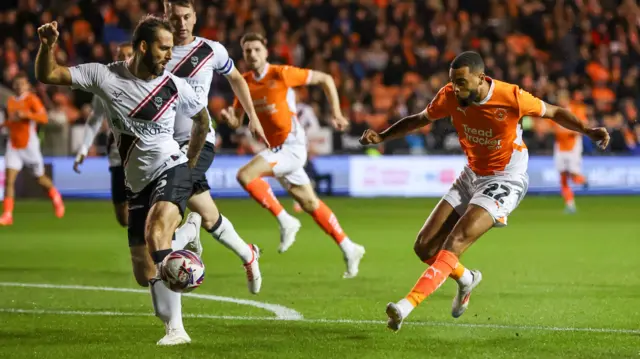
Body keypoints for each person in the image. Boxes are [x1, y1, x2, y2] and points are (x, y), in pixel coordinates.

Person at [359, 51, 610, 331]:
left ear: (481, 78)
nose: (456, 88)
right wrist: (381, 136)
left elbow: (553, 111)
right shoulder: (449, 96)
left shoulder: (511, 96)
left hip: (505, 178)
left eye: (462, 81)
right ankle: (466, 279)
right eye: (453, 81)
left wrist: (587, 130)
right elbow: (420, 119)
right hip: (472, 174)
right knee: (424, 245)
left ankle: (405, 306)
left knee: (455, 242)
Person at [36, 16, 211, 345]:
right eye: (163, 48)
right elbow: (48, 74)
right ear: (143, 46)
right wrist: (48, 46)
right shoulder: (106, 76)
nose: (167, 55)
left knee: (156, 232)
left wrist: (190, 164)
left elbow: (202, 119)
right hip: (137, 183)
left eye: (171, 49)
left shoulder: (174, 85)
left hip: (170, 168)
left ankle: (177, 330)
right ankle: (187, 232)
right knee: (145, 275)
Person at [221, 32, 366, 279]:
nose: (253, 54)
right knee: (310, 203)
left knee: (245, 175)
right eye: (247, 51)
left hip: (292, 145)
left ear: (266, 51)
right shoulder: (243, 82)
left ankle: (286, 220)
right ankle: (349, 247)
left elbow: (326, 79)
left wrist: (337, 113)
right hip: (278, 149)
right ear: (243, 55)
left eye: (257, 49)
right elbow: (238, 121)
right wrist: (230, 119)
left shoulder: (280, 73)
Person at [164, 0, 266, 294]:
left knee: (173, 198)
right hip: (164, 144)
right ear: (166, 17)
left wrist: (252, 117)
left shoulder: (211, 50)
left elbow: (237, 79)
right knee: (209, 215)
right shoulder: (159, 51)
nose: (181, 23)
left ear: (195, 17)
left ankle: (184, 236)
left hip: (200, 139)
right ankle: (248, 254)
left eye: (186, 17)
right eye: (175, 18)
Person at [74, 42, 134, 227]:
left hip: (145, 157)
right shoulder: (105, 88)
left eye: (129, 55)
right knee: (123, 218)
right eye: (120, 55)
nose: (125, 59)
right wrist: (84, 148)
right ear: (115, 59)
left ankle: (148, 242)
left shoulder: (151, 82)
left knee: (148, 210)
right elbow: (95, 119)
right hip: (117, 158)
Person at [0, 72, 64, 226]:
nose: (18, 86)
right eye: (16, 84)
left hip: (30, 146)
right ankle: (8, 215)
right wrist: (4, 125)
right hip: (13, 145)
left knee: (40, 178)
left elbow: (43, 118)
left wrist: (26, 114)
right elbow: (12, 121)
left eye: (21, 83)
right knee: (9, 180)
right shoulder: (10, 101)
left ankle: (56, 197)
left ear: (27, 85)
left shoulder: (32, 100)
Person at [551, 90, 589, 213]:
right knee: (562, 177)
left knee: (574, 176)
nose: (560, 102)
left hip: (573, 147)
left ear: (567, 99)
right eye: (559, 99)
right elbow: (549, 127)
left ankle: (584, 180)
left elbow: (582, 127)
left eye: (563, 99)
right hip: (560, 147)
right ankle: (570, 204)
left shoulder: (576, 110)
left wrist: (568, 131)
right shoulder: (555, 112)